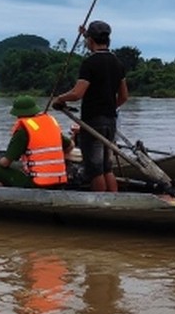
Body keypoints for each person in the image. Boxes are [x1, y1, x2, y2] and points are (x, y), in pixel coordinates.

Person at [51, 20, 128, 192]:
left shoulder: (90, 63)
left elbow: (77, 93)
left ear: (91, 41)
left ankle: (101, 205)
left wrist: (60, 99)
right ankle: (114, 201)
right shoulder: (118, 63)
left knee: (95, 169)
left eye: (87, 39)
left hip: (93, 122)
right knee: (107, 166)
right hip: (110, 122)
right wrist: (109, 106)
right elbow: (124, 97)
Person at [0, 95, 72, 188]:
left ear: (18, 114)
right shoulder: (50, 125)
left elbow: (5, 163)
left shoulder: (23, 131)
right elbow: (70, 146)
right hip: (59, 181)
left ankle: (2, 196)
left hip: (37, 183)